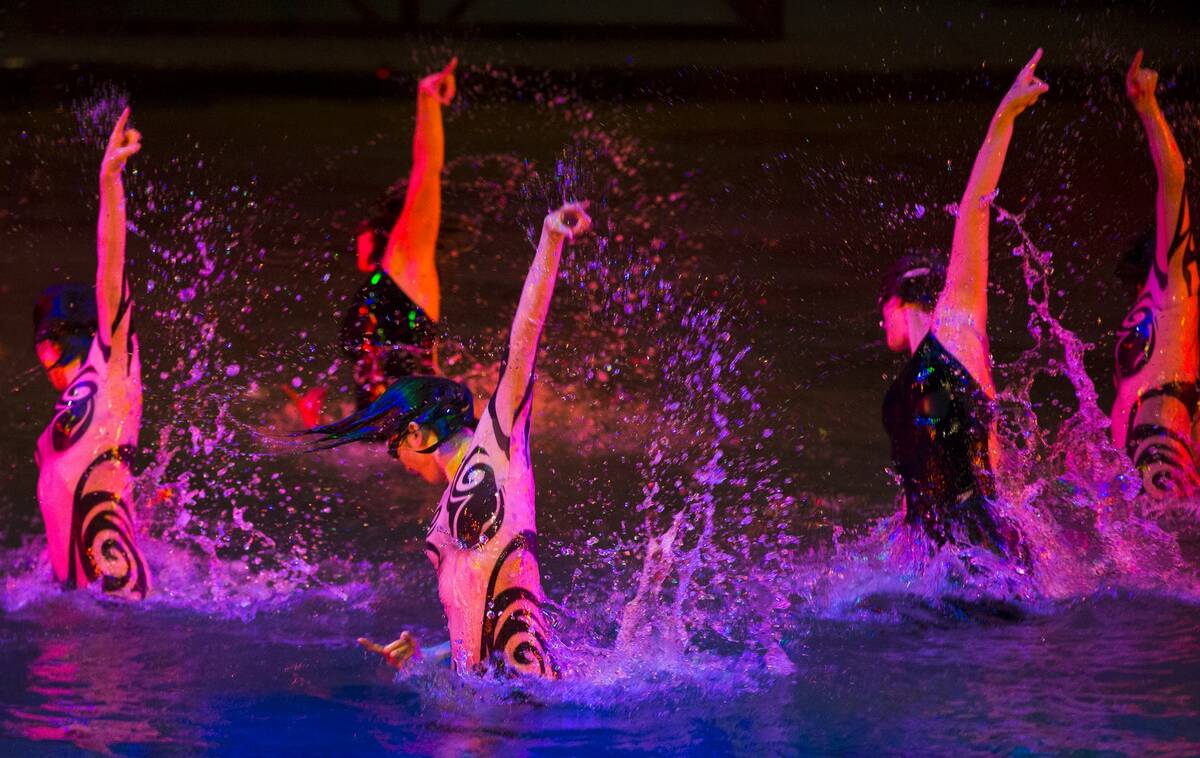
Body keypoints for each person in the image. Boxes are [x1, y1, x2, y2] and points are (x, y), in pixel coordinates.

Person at [304, 202, 592, 677]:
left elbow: (523, 347)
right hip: (478, 708)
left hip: (534, 704)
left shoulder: (497, 450)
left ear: (415, 433)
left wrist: (550, 239)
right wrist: (427, 658)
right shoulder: (442, 513)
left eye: (392, 442)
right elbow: (473, 617)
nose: (393, 456)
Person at [879, 50, 1048, 554]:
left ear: (892, 304)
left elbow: (976, 206)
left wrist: (1006, 116)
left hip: (968, 564)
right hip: (980, 562)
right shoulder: (925, 372)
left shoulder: (953, 328)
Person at [33, 107, 150, 599]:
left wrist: (110, 182)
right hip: (79, 602)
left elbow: (111, 265)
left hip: (118, 600)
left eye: (46, 353)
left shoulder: (112, 364)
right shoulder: (78, 399)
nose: (45, 368)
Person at [339, 58, 458, 412]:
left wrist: (427, 100)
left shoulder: (408, 259)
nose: (357, 232)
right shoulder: (383, 283)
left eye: (363, 227)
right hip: (383, 436)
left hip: (416, 433)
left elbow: (427, 169)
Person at [1109, 51, 1199, 499]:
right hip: (1144, 469)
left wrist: (1148, 109)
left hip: (1163, 464)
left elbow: (1175, 181)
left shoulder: (1176, 289)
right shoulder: (1156, 304)